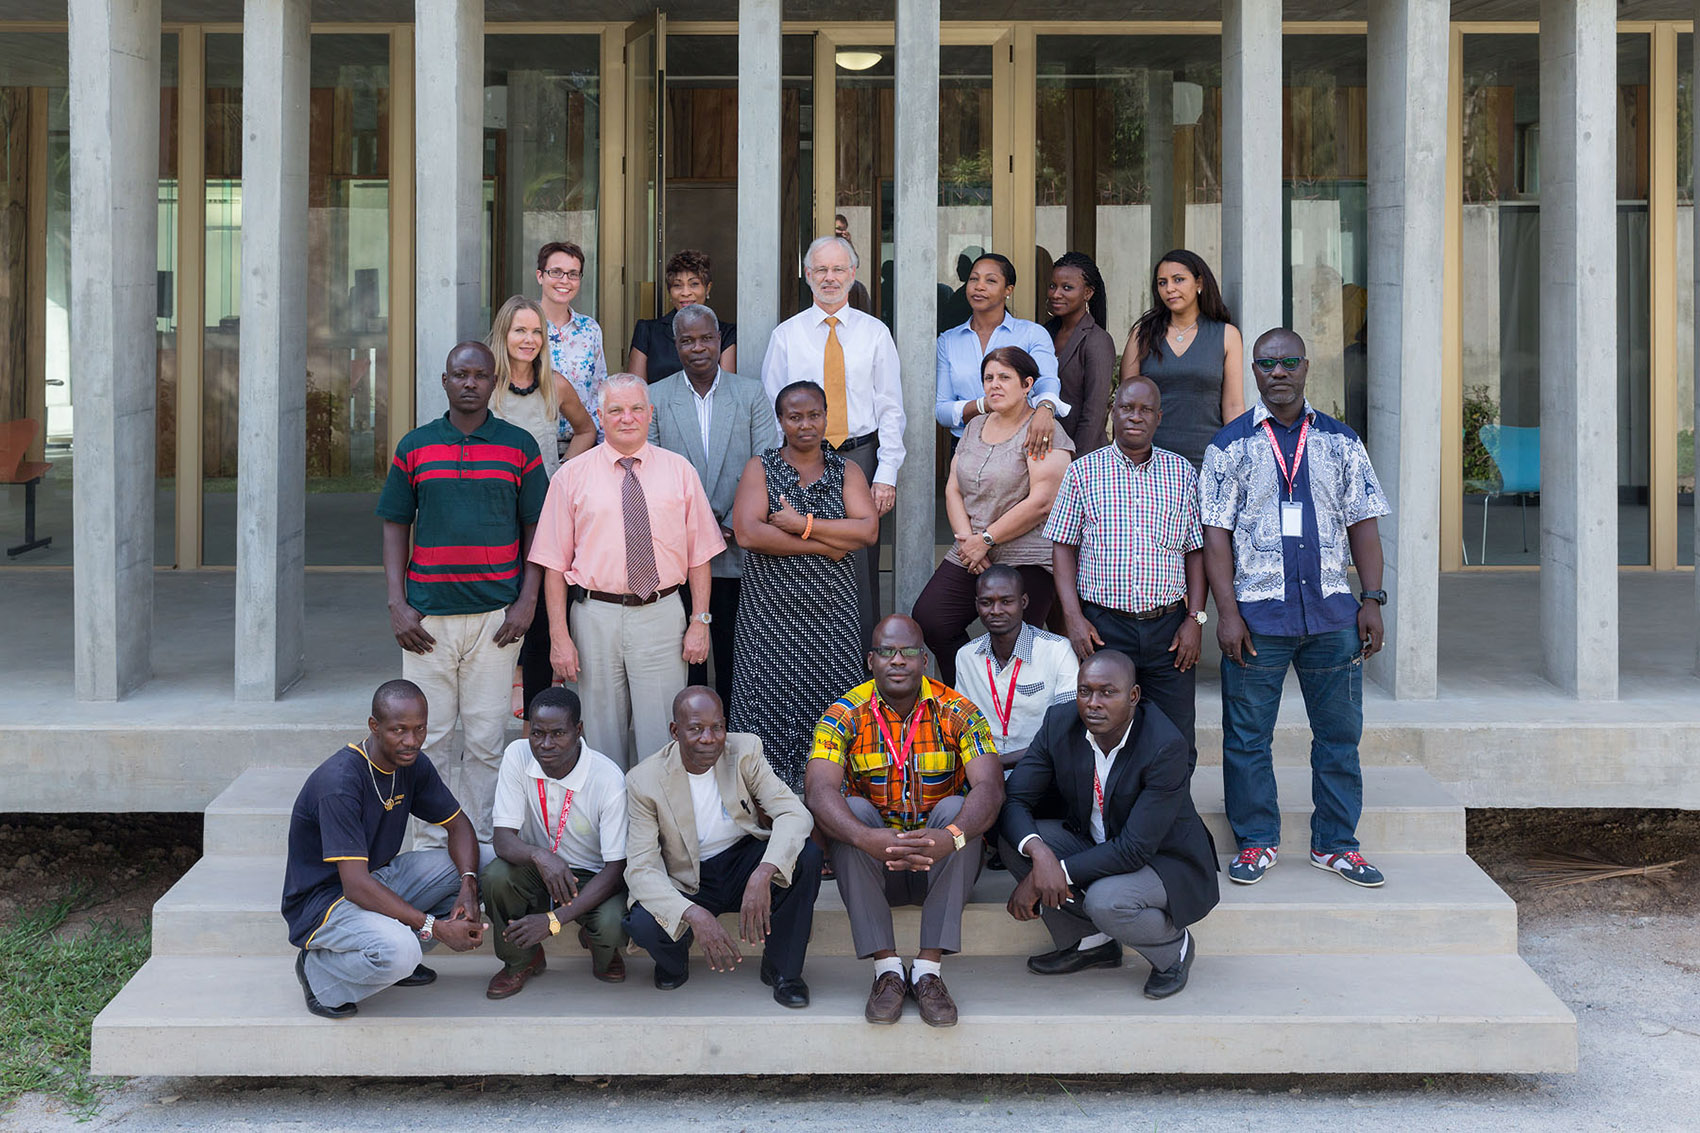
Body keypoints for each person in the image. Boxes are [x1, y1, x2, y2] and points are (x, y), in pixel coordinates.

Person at [1200, 328, 1391, 889]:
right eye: (1267, 363)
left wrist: (1372, 601)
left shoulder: (1342, 442)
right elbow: (1215, 538)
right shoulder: (1229, 446)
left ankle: (1336, 845)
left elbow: (1364, 526)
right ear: (1253, 372)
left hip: (1332, 616)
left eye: (1289, 362)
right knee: (1247, 737)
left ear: (1307, 367)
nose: (1278, 372)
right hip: (1259, 619)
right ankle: (1256, 841)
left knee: (1338, 736)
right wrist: (1227, 614)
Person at [378, 341, 548, 842]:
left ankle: (481, 843)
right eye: (460, 374)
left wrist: (527, 601)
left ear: (494, 381)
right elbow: (394, 524)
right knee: (423, 740)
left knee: (486, 740)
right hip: (426, 621)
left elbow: (537, 528)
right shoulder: (415, 446)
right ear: (445, 380)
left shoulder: (520, 446)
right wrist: (397, 603)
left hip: (497, 619)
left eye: (479, 375)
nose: (470, 382)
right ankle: (431, 845)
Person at [805, 615, 1004, 1028]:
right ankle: (888, 972)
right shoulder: (843, 714)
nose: (898, 660)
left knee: (957, 810)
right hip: (878, 868)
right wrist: (866, 838)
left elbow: (990, 788)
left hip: (941, 864)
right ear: (870, 660)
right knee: (852, 812)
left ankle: (928, 972)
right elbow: (819, 791)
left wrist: (951, 837)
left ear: (925, 661)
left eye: (909, 651)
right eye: (887, 652)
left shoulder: (959, 710)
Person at [528, 373, 726, 770]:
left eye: (636, 408)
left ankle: (655, 829)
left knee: (662, 739)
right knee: (600, 740)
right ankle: (610, 829)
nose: (627, 418)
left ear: (650, 414)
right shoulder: (571, 476)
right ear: (600, 416)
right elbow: (553, 563)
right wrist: (558, 636)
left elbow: (700, 555)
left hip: (661, 614)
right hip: (594, 617)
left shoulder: (679, 471)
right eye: (615, 410)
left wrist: (700, 621)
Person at [999, 652, 1220, 999]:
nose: (1093, 704)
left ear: (1133, 696)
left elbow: (1134, 849)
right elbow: (1015, 799)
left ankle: (1172, 950)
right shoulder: (1060, 723)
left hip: (1163, 860)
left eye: (1107, 693)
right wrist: (1040, 854)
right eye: (1085, 691)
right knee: (1018, 841)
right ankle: (1091, 943)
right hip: (1097, 843)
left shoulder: (1164, 745)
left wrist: (1056, 870)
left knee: (1105, 901)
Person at [282, 680, 486, 1019]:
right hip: (324, 903)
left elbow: (458, 825)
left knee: (485, 864)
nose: (411, 741)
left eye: (419, 729)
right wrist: (434, 928)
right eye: (399, 730)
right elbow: (355, 886)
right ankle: (320, 974)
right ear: (374, 727)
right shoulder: (340, 783)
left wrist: (468, 884)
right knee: (401, 952)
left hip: (375, 879)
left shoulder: (411, 763)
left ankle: (391, 963)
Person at [623, 687, 823, 1007]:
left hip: (741, 861)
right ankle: (676, 956)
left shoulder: (744, 750)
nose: (709, 738)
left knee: (806, 856)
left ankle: (783, 970)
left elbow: (793, 812)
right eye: (696, 728)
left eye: (717, 727)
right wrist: (693, 915)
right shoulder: (644, 780)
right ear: (675, 731)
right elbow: (641, 868)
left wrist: (764, 871)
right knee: (642, 922)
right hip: (686, 875)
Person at [1046, 376, 1207, 772]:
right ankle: (1108, 825)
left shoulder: (1182, 473)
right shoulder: (1084, 472)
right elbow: (1063, 547)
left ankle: (1170, 828)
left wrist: (1195, 620)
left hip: (1169, 631)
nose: (1135, 417)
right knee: (1103, 733)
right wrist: (1073, 618)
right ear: (1113, 413)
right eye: (1126, 408)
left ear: (1158, 417)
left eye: (1145, 410)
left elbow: (1196, 552)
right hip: (1103, 627)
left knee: (1177, 736)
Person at [729, 381, 880, 793]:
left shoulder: (847, 470)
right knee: (768, 709)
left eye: (814, 415)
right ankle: (767, 813)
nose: (806, 425)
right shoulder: (761, 467)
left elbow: (867, 530)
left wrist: (801, 524)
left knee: (830, 710)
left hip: (831, 617)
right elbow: (747, 533)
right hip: (770, 617)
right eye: (795, 417)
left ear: (827, 417)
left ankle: (831, 808)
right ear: (781, 421)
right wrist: (827, 542)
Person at [762, 235, 905, 640]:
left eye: (838, 269)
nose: (830, 277)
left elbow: (891, 407)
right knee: (805, 564)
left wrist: (887, 472)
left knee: (859, 568)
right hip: (801, 461)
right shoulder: (786, 336)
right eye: (821, 269)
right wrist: (780, 474)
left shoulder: (875, 333)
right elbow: (774, 410)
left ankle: (861, 672)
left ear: (853, 275)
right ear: (807, 275)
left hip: (860, 458)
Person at [915, 346, 1074, 685]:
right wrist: (968, 544)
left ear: (1027, 384)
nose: (994, 385)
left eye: (1005, 377)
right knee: (932, 619)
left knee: (1016, 642)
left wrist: (986, 540)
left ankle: (1017, 706)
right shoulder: (974, 427)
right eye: (988, 378)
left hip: (1026, 555)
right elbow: (953, 489)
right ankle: (973, 693)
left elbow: (1043, 501)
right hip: (972, 550)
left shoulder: (1042, 430)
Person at [647, 304, 777, 706]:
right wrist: (697, 529)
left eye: (706, 338)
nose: (698, 348)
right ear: (676, 345)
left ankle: (735, 740)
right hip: (679, 553)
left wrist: (731, 525)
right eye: (687, 340)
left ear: (720, 341)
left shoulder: (751, 394)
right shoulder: (655, 397)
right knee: (688, 660)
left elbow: (765, 466)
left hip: (739, 547)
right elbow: (652, 476)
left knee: (736, 656)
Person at [485, 294, 598, 722]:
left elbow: (587, 430)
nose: (529, 339)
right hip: (495, 516)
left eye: (536, 331)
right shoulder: (488, 384)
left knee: (538, 617)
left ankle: (540, 711)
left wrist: (563, 472)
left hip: (545, 516)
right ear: (504, 335)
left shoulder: (556, 383)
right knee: (501, 610)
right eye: (520, 330)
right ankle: (493, 703)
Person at [481, 687, 629, 998]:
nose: (545, 744)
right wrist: (540, 856)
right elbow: (503, 840)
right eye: (537, 733)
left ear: (578, 731)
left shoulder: (608, 778)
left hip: (594, 876)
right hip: (539, 868)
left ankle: (597, 939)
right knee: (496, 876)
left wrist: (554, 921)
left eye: (558, 733)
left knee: (612, 925)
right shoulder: (517, 755)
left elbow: (617, 868)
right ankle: (521, 959)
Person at [1120, 249, 1246, 469]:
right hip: (1151, 459)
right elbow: (1126, 403)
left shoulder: (1227, 335)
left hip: (1208, 457)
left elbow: (1234, 406)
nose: (1169, 289)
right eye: (1162, 282)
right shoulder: (1143, 335)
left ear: (1199, 283)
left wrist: (1238, 458)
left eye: (1178, 280)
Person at [934, 252, 1068, 458]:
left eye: (990, 280)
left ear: (1008, 290)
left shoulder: (1032, 334)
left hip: (1020, 444)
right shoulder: (948, 341)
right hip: (965, 446)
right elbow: (942, 411)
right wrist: (985, 405)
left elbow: (1047, 383)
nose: (979, 286)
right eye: (973, 279)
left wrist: (1045, 409)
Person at [952, 565, 1079, 775]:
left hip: (1041, 769)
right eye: (986, 602)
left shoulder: (1058, 650)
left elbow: (1065, 730)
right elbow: (963, 727)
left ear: (1024, 602)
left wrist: (997, 764)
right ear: (977, 606)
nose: (996, 610)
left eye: (1006, 601)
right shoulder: (966, 656)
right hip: (983, 773)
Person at [626, 249, 737, 381]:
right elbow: (636, 391)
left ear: (707, 288)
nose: (685, 292)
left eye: (694, 284)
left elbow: (725, 389)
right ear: (669, 291)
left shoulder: (726, 333)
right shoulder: (648, 331)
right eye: (677, 285)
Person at [536, 240, 609, 440]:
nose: (565, 280)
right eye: (556, 272)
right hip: (534, 446)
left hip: (584, 444)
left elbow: (599, 392)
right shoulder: (524, 325)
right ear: (540, 276)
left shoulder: (590, 329)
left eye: (573, 274)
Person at [1045, 252, 1116, 455]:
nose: (1056, 294)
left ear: (1088, 293)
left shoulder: (1097, 340)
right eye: (1053, 286)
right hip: (1044, 453)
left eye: (1067, 288)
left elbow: (1094, 413)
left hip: (1082, 456)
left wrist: (1075, 462)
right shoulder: (1044, 333)